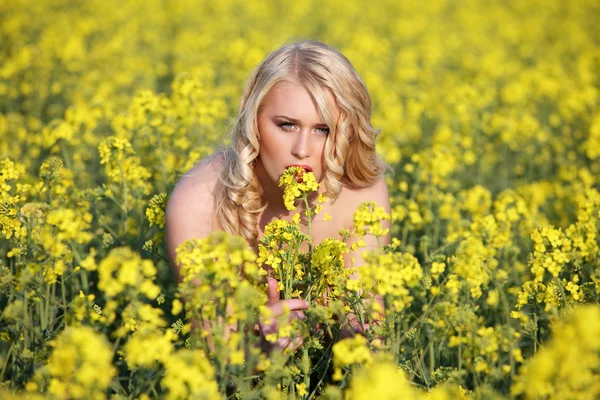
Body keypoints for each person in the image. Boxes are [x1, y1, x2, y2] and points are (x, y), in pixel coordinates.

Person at [165, 39, 391, 353]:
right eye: (286, 125)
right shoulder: (199, 201)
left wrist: (358, 337)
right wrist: (258, 350)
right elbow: (215, 352)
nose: (302, 150)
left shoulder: (361, 191)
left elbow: (363, 326)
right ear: (253, 121)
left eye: (322, 130)